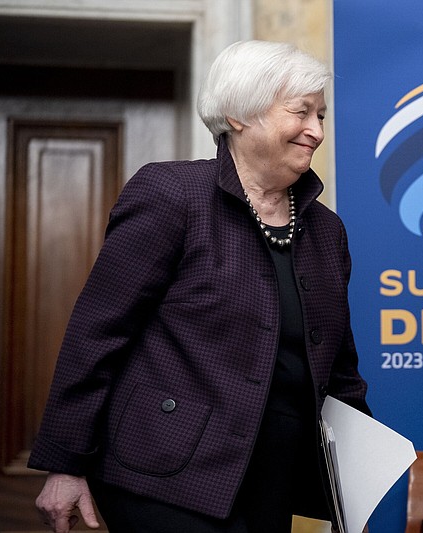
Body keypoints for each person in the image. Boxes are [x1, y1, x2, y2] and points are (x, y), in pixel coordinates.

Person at [28, 40, 370, 533]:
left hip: (273, 479)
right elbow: (97, 333)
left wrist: (356, 481)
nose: (317, 131)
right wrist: (66, 461)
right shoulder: (171, 194)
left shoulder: (326, 229)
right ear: (239, 115)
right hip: (163, 475)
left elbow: (339, 370)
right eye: (301, 113)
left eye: (322, 115)